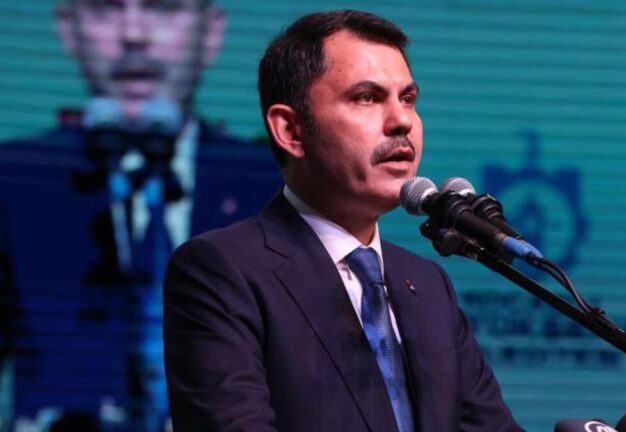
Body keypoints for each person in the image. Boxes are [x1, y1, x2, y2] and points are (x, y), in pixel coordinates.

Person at [164, 9, 525, 432]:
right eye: (367, 98)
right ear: (291, 131)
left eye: (408, 99)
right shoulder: (222, 271)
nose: (402, 121)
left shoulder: (427, 285)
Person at [0, 0, 280, 430]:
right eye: (106, 8)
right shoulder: (15, 181)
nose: (134, 34)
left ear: (211, 32)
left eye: (163, 8)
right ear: (68, 28)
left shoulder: (277, 190)